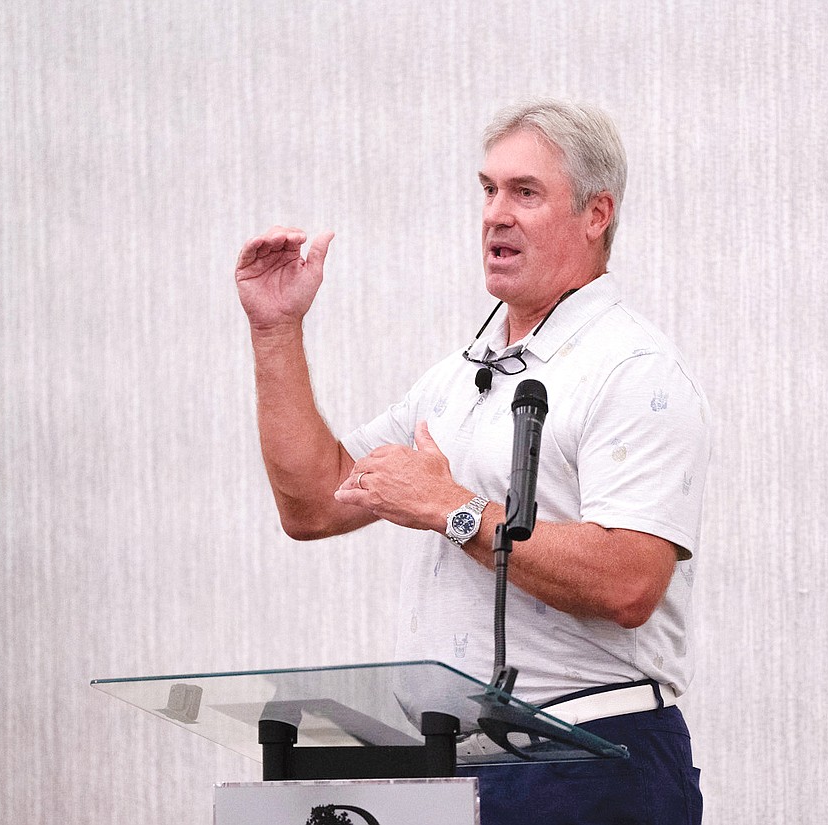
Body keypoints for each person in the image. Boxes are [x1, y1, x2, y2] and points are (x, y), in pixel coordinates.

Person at [234, 99, 709, 824]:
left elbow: (629, 580)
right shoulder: (463, 376)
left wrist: (454, 511)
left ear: (596, 214)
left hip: (594, 757)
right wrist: (276, 329)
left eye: (526, 192)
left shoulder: (634, 369)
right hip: (452, 764)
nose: (495, 214)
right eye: (488, 190)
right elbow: (316, 501)